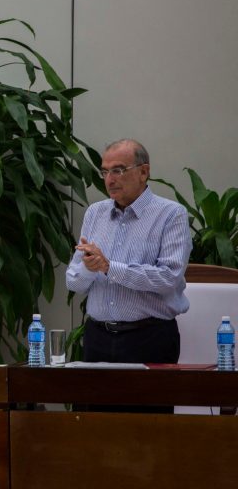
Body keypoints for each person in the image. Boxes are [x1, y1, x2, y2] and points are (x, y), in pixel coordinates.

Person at [66, 139, 192, 368]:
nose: (109, 180)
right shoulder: (95, 213)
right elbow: (74, 282)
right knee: (93, 405)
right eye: (104, 172)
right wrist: (88, 267)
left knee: (148, 405)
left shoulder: (171, 215)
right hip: (97, 338)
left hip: (150, 338)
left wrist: (108, 267)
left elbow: (168, 278)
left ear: (143, 172)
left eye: (118, 170)